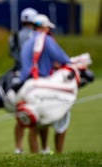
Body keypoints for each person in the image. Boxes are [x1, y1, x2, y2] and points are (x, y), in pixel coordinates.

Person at [19, 14, 71, 154]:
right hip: (44, 86)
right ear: (42, 27)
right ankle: (59, 154)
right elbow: (63, 59)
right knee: (62, 118)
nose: (49, 30)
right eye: (48, 27)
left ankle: (37, 155)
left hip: (29, 87)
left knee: (34, 124)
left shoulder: (27, 42)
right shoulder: (46, 40)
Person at [8, 7, 39, 154]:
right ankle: (36, 150)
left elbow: (11, 54)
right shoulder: (38, 36)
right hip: (34, 77)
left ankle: (18, 148)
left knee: (20, 114)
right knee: (34, 114)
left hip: (18, 77)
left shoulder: (13, 37)